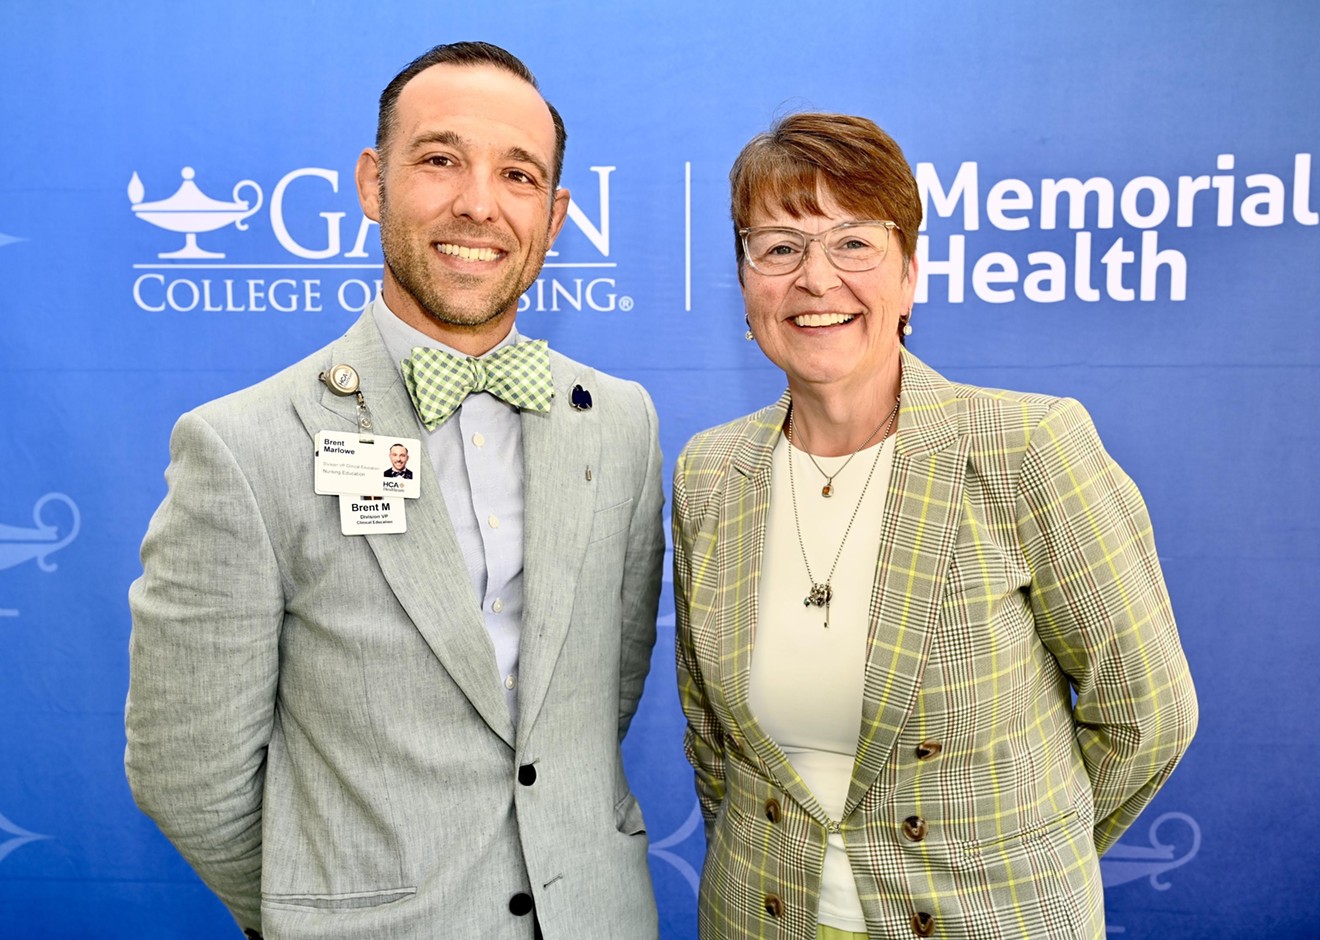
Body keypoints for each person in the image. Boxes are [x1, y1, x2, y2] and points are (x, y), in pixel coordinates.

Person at [126, 41, 664, 940]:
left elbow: (598, 697)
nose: (479, 204)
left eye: (518, 175)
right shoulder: (244, 446)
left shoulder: (620, 422)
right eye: (441, 159)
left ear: (557, 213)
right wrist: (327, 903)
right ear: (373, 184)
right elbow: (185, 770)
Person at [672, 113, 1197, 940]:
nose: (816, 278)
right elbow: (711, 738)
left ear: (911, 272)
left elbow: (1147, 711)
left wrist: (1024, 853)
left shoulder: (1026, 446)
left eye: (854, 243)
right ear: (745, 283)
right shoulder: (710, 470)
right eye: (779, 247)